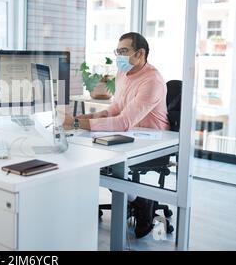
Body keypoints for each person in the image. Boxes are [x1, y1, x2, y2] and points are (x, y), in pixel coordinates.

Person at [63, 32, 170, 238]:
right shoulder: (123, 74)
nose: (118, 56)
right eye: (117, 51)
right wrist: (81, 117)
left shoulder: (152, 81)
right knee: (89, 156)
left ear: (140, 54)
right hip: (128, 134)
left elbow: (123, 122)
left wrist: (76, 123)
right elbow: (115, 109)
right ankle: (136, 199)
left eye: (123, 51)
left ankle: (141, 202)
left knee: (105, 162)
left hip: (152, 141)